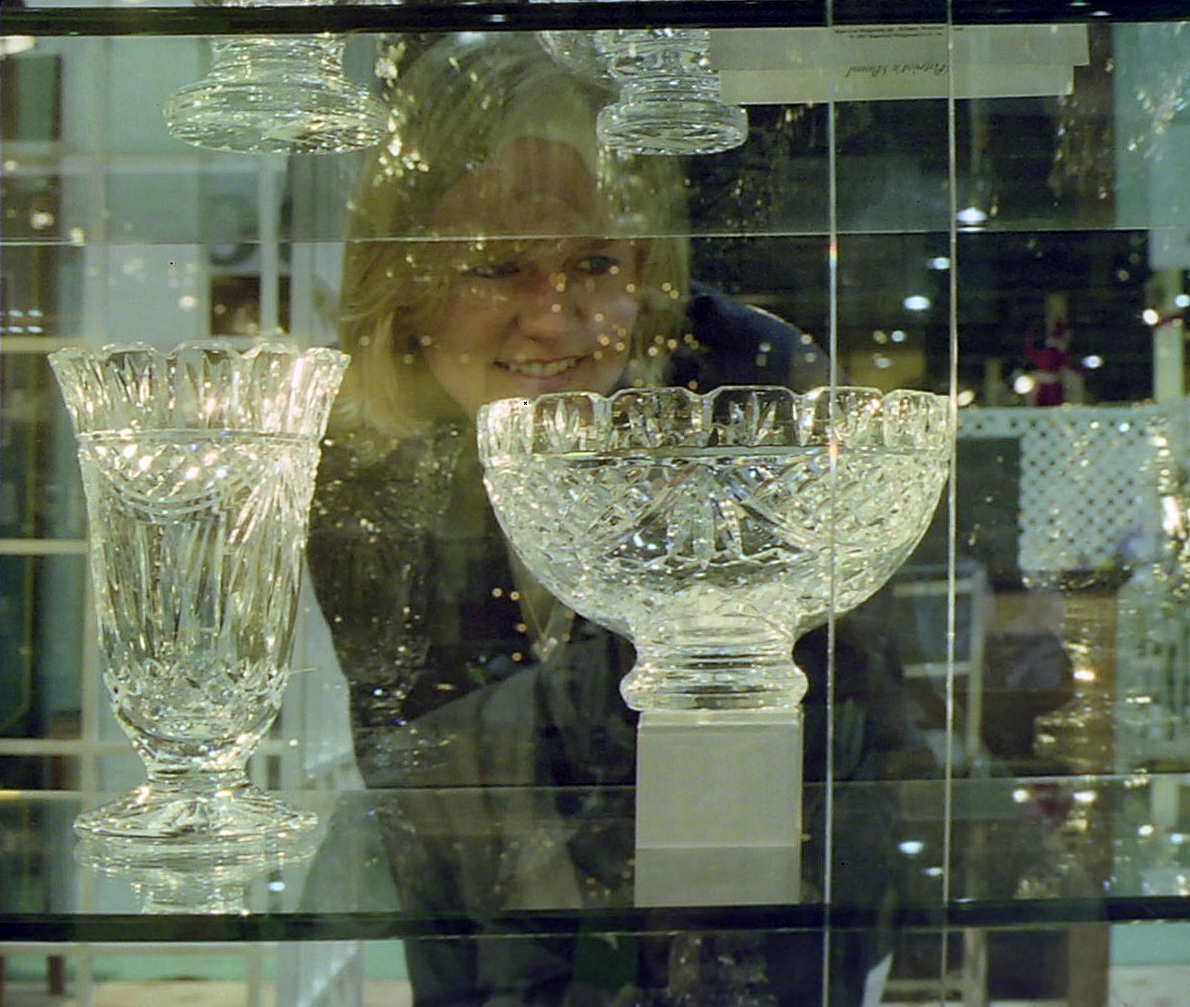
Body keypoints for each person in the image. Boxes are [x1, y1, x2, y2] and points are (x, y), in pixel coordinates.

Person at [304, 33, 934, 1007]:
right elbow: (425, 792)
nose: (552, 315)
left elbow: (853, 746)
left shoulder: (756, 395)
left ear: (648, 265)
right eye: (496, 265)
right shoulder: (367, 455)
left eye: (594, 261)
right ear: (406, 273)